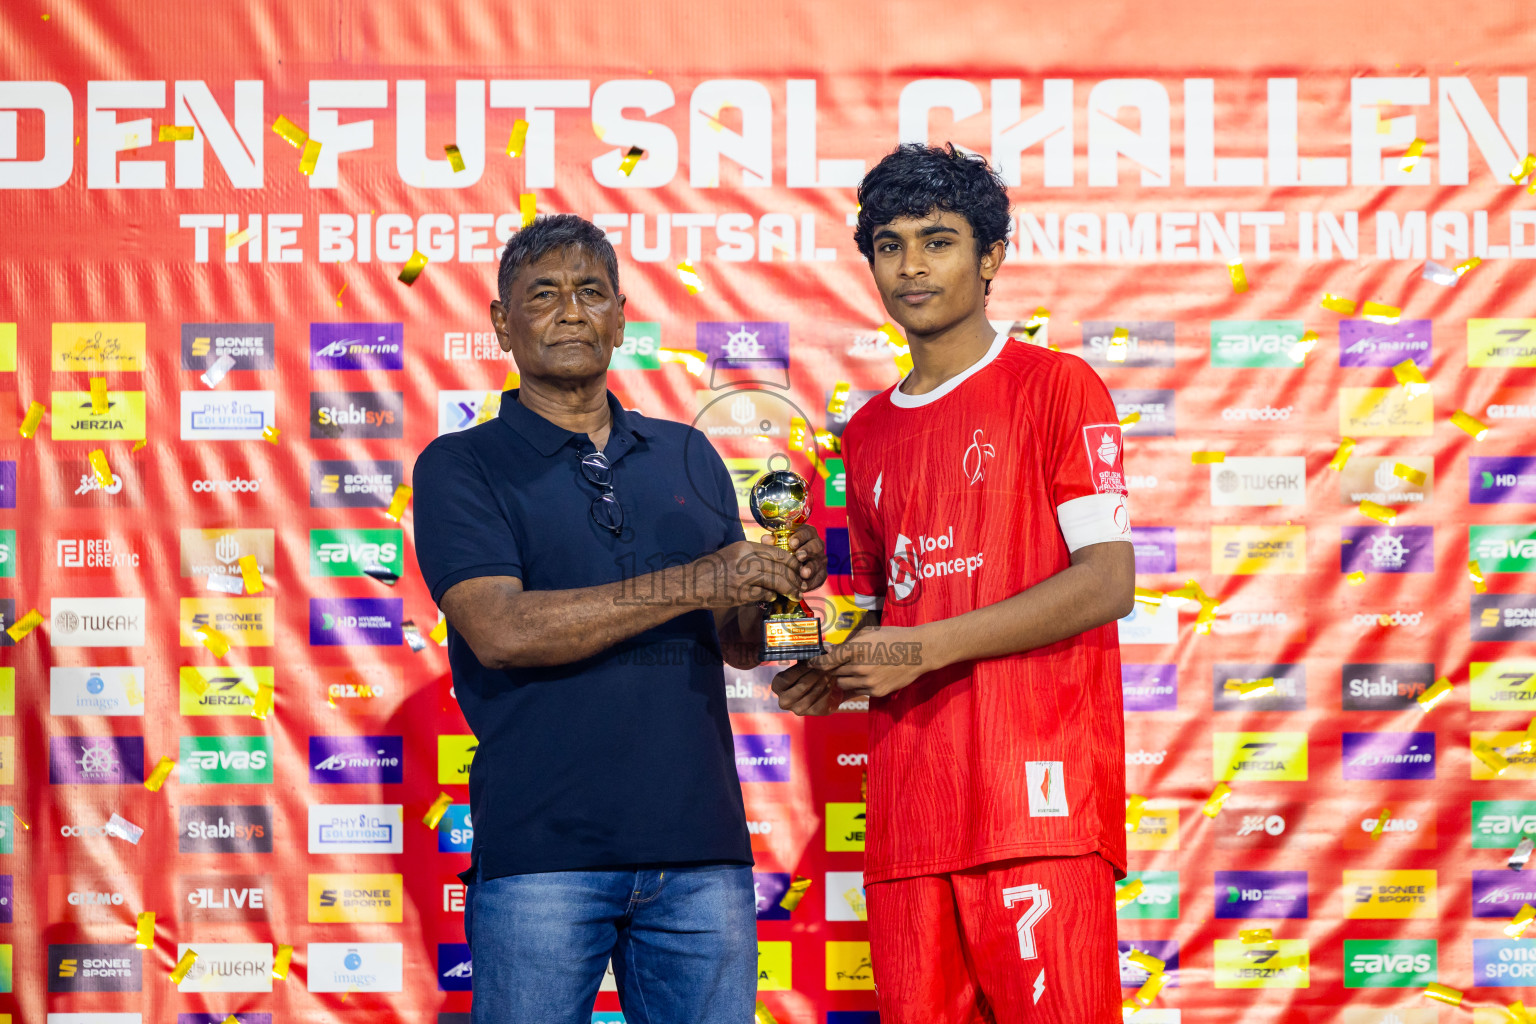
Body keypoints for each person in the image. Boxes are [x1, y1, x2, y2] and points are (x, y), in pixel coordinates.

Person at [413, 213, 827, 1024]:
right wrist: (699, 577)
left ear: (620, 315)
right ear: (501, 322)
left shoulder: (686, 454)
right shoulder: (461, 465)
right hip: (542, 854)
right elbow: (502, 631)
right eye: (544, 294)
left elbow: (738, 644)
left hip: (702, 850)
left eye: (590, 292)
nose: (571, 311)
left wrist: (774, 581)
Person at [772, 144, 1134, 1023]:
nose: (912, 266)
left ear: (992, 258)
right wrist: (840, 668)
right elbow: (892, 611)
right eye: (890, 245)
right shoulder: (862, 435)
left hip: (1033, 802)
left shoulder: (1058, 387)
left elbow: (1107, 583)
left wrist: (921, 646)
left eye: (938, 241)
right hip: (908, 813)